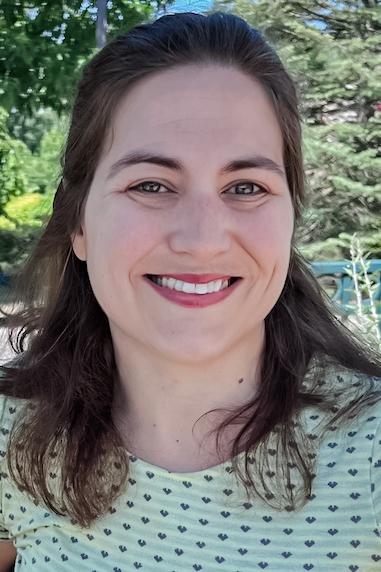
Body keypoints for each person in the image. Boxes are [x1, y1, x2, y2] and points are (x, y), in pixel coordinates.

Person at [0, 11, 380, 571]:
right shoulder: (13, 436)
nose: (202, 240)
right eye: (150, 185)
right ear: (79, 223)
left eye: (246, 187)